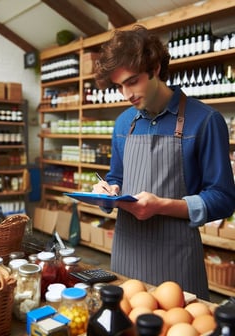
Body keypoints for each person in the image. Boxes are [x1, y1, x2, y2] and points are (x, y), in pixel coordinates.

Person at [92, 25, 235, 300]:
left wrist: (162, 206)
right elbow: (116, 177)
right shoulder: (124, 123)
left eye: (132, 81)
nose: (126, 94)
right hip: (126, 253)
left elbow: (224, 198)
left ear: (155, 67)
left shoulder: (205, 120)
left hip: (176, 259)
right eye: (119, 85)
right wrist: (107, 191)